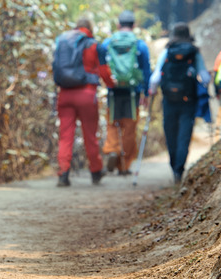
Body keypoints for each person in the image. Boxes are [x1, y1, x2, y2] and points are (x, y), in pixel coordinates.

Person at [52, 17, 113, 187]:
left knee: (65, 137)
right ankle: (95, 172)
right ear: (89, 28)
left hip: (64, 94)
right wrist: (112, 85)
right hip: (87, 94)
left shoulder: (63, 42)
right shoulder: (93, 44)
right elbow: (103, 71)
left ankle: (63, 174)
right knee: (90, 136)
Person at [149, 22, 210, 184]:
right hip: (188, 100)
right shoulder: (194, 52)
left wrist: (152, 90)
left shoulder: (168, 50)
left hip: (169, 99)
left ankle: (173, 164)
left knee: (170, 134)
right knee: (184, 135)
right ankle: (179, 170)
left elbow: (155, 77)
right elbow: (204, 77)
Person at [101, 10, 152, 176]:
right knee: (129, 128)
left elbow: (101, 66)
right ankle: (124, 166)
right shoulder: (140, 45)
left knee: (112, 123)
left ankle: (113, 149)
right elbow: (146, 71)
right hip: (133, 93)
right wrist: (146, 93)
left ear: (118, 25)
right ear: (134, 25)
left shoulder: (107, 43)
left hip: (113, 91)